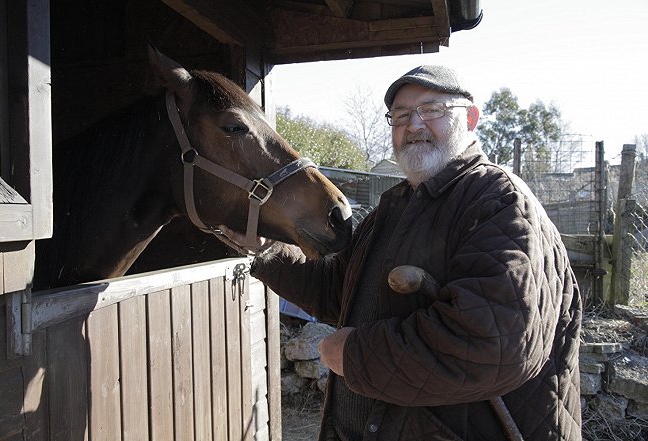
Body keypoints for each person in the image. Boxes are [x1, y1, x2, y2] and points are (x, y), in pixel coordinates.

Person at [223, 65, 582, 440]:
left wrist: (354, 355)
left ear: (470, 118)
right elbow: (336, 292)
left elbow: (491, 345)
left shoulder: (498, 203)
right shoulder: (395, 208)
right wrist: (267, 250)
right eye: (400, 115)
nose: (414, 126)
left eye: (432, 110)